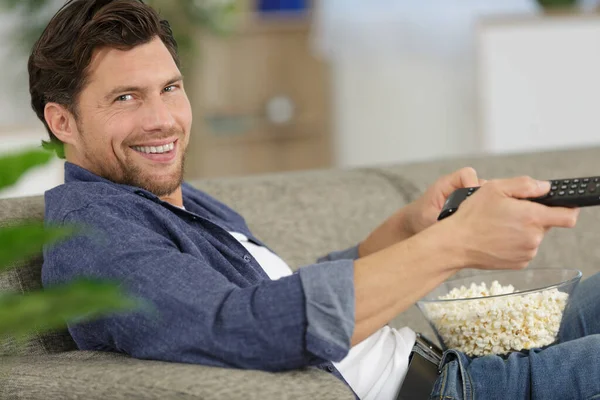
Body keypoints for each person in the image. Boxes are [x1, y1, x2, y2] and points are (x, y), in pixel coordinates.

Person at [33, 1, 600, 399]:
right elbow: (247, 328)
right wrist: (456, 245)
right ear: (63, 120)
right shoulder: (92, 235)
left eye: (170, 88)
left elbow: (284, 296)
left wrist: (411, 228)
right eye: (126, 97)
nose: (162, 120)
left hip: (451, 362)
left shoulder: (173, 204)